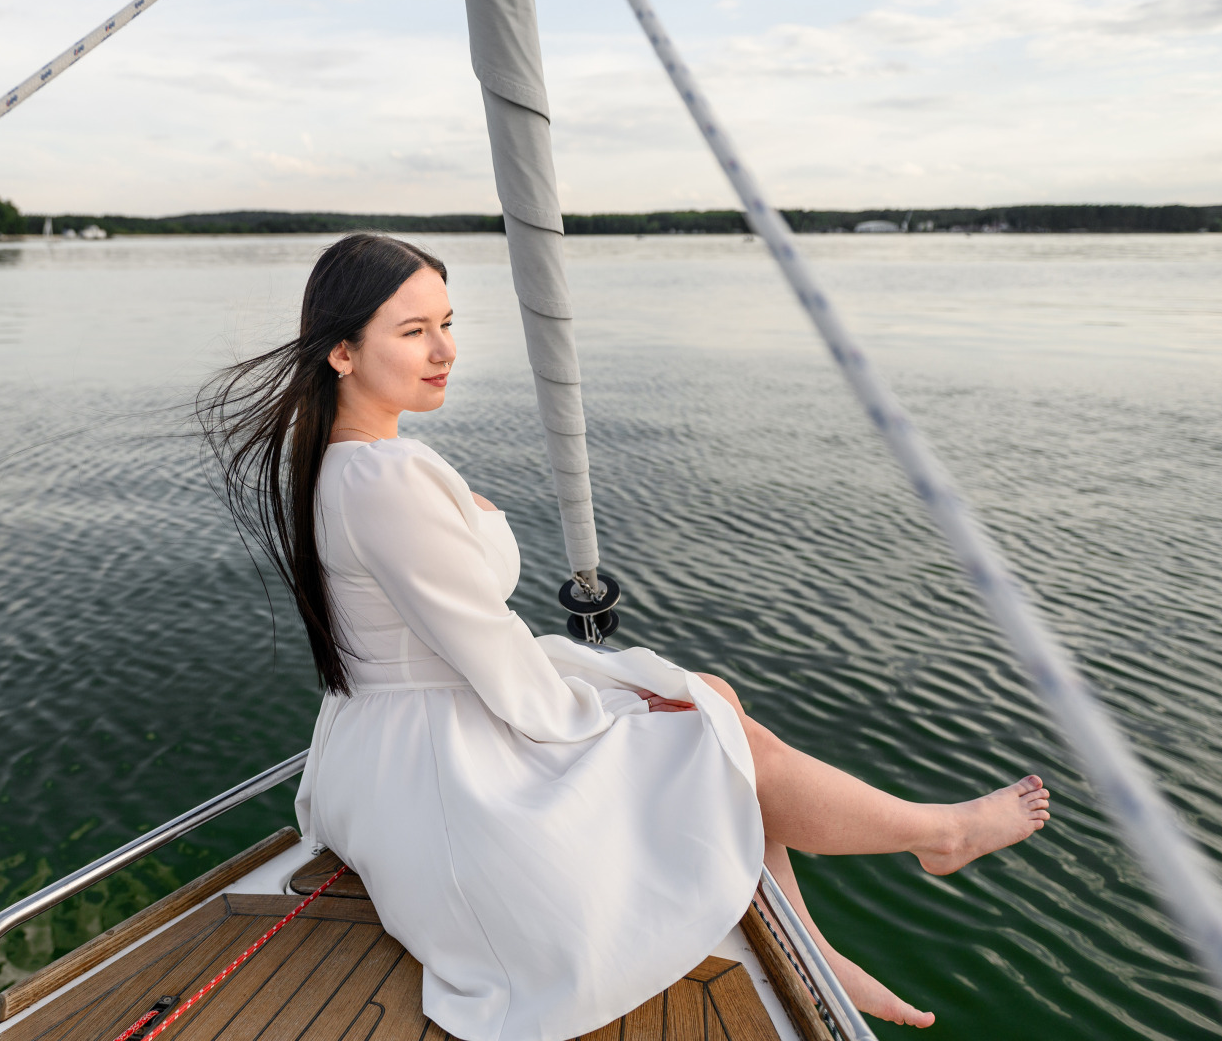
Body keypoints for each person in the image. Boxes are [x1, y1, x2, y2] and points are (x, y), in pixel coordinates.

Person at [199, 233, 1050, 1041]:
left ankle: (821, 944)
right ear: (341, 352)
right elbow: (488, 654)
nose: (444, 350)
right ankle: (930, 836)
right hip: (445, 765)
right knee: (708, 723)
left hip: (397, 738)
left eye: (448, 324)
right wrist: (599, 715)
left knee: (706, 701)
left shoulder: (344, 462)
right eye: (413, 331)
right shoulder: (384, 477)